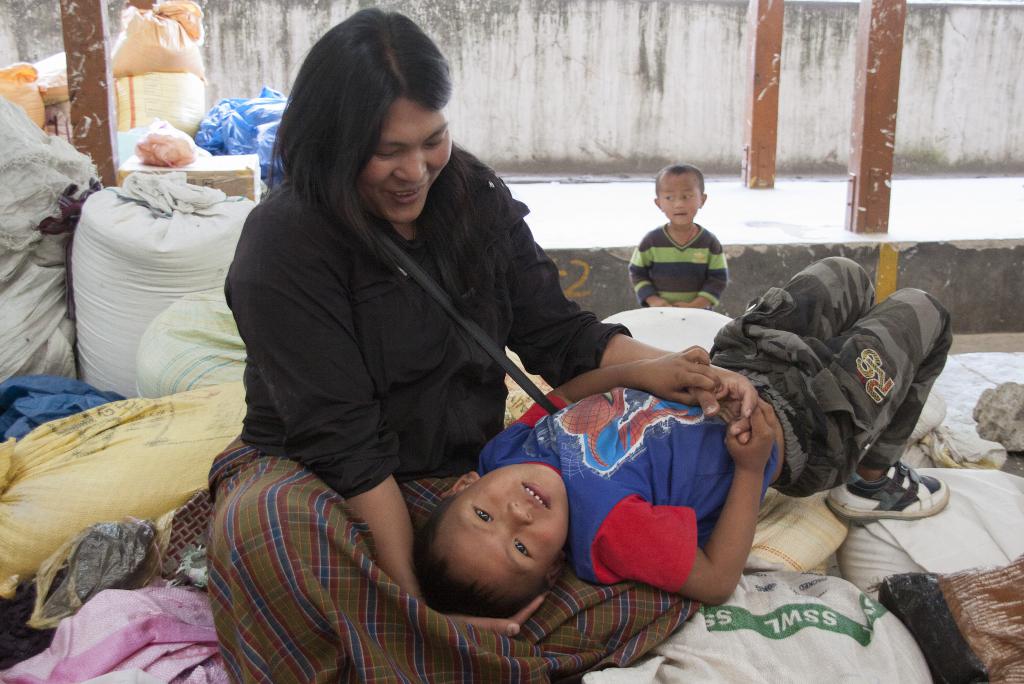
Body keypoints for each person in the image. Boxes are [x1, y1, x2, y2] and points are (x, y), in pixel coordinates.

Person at [206, 8, 759, 678]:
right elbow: (343, 443)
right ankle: (447, 649)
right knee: (265, 532)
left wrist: (665, 370)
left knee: (619, 571)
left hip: (458, 476)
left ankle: (397, 654)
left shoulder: (470, 197)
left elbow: (559, 336)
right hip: (324, 479)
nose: (416, 170)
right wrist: (415, 600)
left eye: (432, 140)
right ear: (333, 143)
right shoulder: (283, 247)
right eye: (387, 152)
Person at [414, 257, 952, 620]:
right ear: (554, 566)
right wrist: (748, 469)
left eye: (485, 515)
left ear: (465, 485)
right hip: (807, 428)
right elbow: (717, 581)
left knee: (846, 274)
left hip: (741, 363)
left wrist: (642, 372)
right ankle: (871, 477)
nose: (519, 515)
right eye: (522, 547)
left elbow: (565, 397)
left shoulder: (502, 453)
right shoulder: (609, 531)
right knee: (925, 309)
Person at [628, 164, 728, 309]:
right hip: (660, 313)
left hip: (698, 314)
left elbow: (718, 277)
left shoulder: (709, 242)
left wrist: (698, 304)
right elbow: (637, 272)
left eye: (687, 196)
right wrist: (653, 299)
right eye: (669, 197)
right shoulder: (651, 241)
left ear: (702, 199)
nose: (679, 204)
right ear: (658, 203)